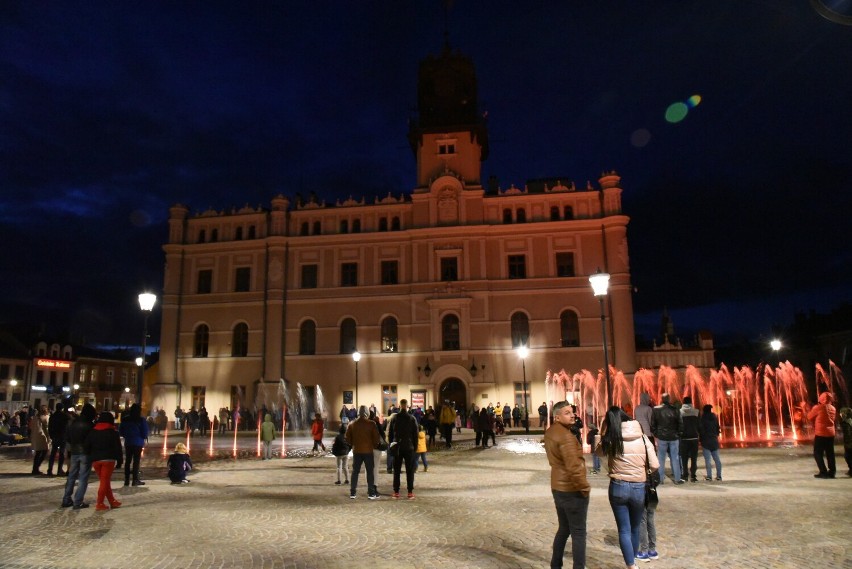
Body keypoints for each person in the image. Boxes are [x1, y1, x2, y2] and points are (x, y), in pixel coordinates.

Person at [597, 406, 660, 569]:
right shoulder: (644, 438)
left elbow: (597, 453)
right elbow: (654, 464)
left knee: (623, 529)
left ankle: (631, 565)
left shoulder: (611, 439)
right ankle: (633, 563)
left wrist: (603, 432)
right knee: (635, 527)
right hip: (639, 487)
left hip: (618, 487)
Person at [544, 401, 591, 569]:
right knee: (578, 532)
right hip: (572, 489)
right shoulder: (567, 437)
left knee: (564, 528)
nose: (572, 415)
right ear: (557, 417)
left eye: (572, 412)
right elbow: (575, 467)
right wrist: (584, 488)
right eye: (566, 413)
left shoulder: (551, 432)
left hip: (557, 487)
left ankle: (555, 564)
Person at [84, 412, 124, 511]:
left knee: (105, 482)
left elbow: (87, 446)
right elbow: (118, 448)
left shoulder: (93, 431)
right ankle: (100, 503)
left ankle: (112, 501)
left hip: (96, 460)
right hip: (108, 460)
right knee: (104, 482)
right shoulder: (113, 432)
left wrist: (90, 456)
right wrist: (120, 460)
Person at [62, 403, 97, 509]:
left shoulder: (73, 423)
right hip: (86, 453)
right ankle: (78, 501)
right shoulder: (90, 425)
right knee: (83, 478)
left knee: (71, 476)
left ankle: (66, 499)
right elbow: (92, 440)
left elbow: (67, 437)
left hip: (74, 452)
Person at [345, 405, 380, 499]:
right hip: (368, 451)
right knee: (370, 472)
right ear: (366, 413)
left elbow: (347, 438)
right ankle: (371, 493)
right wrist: (373, 445)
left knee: (355, 472)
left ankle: (353, 492)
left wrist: (354, 444)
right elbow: (376, 438)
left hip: (357, 451)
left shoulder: (352, 424)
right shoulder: (371, 424)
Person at [388, 398, 418, 499]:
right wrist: (415, 447)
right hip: (409, 447)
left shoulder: (395, 418)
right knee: (410, 470)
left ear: (400, 405)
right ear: (407, 405)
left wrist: (391, 444)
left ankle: (396, 491)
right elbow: (415, 435)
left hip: (397, 447)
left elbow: (390, 433)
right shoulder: (412, 418)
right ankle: (410, 492)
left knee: (396, 470)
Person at [650, 393, 682, 484]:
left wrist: (656, 434)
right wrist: (679, 434)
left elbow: (652, 424)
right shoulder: (675, 409)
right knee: (675, 457)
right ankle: (677, 478)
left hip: (662, 437)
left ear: (662, 399)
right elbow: (680, 423)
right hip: (673, 437)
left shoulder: (656, 410)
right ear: (669, 399)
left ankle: (660, 479)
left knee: (661, 458)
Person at [808, 392, 837, 478]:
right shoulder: (833, 408)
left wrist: (813, 408)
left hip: (821, 433)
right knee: (830, 453)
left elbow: (809, 417)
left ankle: (823, 471)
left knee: (817, 453)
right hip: (831, 433)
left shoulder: (819, 407)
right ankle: (832, 472)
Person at [119, 403, 148, 486]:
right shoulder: (141, 420)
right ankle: (135, 480)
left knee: (128, 461)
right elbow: (145, 432)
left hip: (128, 442)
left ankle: (126, 480)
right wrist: (143, 437)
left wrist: (127, 436)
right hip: (138, 443)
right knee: (136, 461)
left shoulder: (125, 419)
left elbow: (121, 431)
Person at [678, 396, 700, 483]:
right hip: (694, 437)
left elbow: (678, 425)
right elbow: (699, 425)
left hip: (684, 438)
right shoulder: (696, 411)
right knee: (694, 458)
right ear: (691, 402)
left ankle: (685, 475)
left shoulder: (679, 412)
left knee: (684, 458)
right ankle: (693, 476)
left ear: (683, 403)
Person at [698, 404, 722, 481]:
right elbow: (718, 428)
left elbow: (701, 430)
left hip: (706, 441)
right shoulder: (714, 418)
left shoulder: (703, 418)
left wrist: (701, 439)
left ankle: (709, 476)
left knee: (708, 460)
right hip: (714, 440)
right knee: (717, 459)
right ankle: (719, 475)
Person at [47, 403, 71, 476]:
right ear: (62, 408)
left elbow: (50, 426)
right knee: (61, 453)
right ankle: (59, 470)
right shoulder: (65, 416)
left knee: (53, 453)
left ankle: (50, 470)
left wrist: (51, 435)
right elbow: (67, 427)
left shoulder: (52, 416)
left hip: (55, 436)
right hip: (62, 437)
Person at [29, 405, 51, 475]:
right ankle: (36, 467)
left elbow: (31, 427)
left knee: (37, 453)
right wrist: (49, 438)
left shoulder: (35, 417)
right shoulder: (46, 417)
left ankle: (35, 468)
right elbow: (47, 428)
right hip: (42, 437)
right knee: (44, 452)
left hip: (35, 437)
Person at [839, 407, 852, 477]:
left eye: (841, 413)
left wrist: (847, 444)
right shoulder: (848, 421)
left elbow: (848, 434)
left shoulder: (846, 423)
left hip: (849, 443)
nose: (840, 415)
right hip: (849, 443)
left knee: (848, 456)